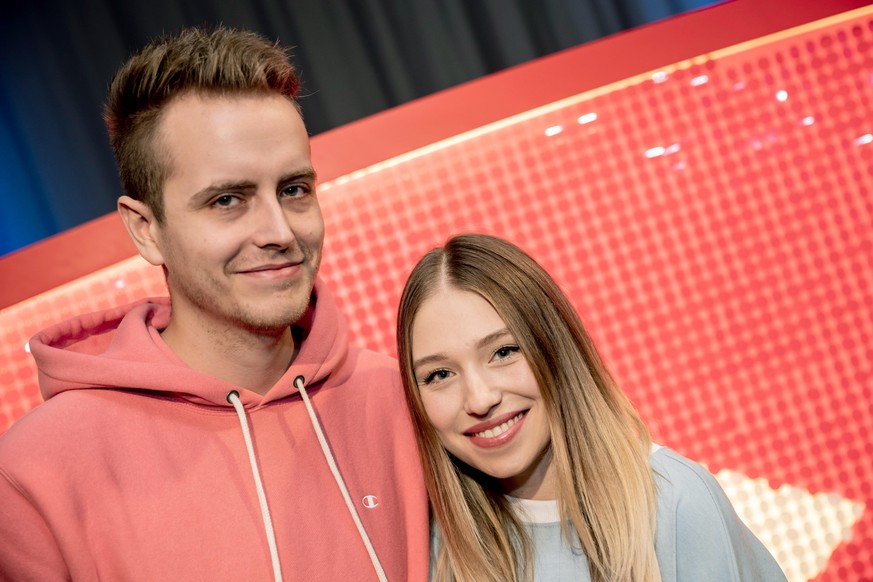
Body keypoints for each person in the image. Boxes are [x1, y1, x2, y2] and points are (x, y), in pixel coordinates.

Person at [0, 27, 428, 581]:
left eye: (294, 189)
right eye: (228, 200)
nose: (278, 231)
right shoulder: (36, 471)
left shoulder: (404, 401)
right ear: (146, 229)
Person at [396, 233, 787, 582]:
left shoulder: (674, 503)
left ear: (556, 349)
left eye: (504, 351)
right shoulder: (428, 548)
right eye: (440, 375)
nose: (480, 399)